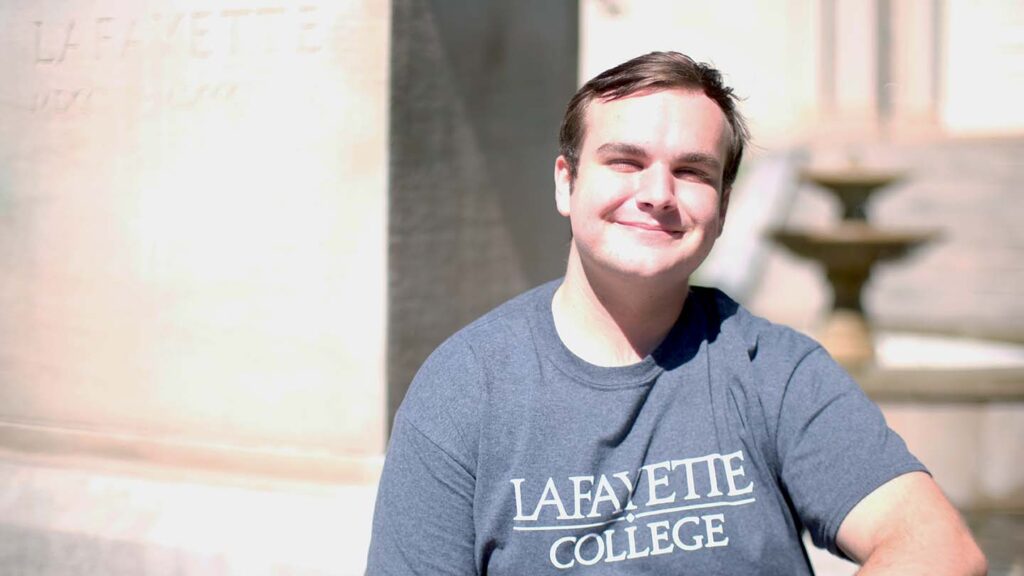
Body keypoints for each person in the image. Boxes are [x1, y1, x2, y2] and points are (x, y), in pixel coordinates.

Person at [366, 51, 986, 575]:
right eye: (625, 162)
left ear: (722, 205)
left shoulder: (774, 370)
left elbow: (941, 548)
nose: (658, 194)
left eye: (691, 171)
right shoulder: (465, 388)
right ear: (566, 183)